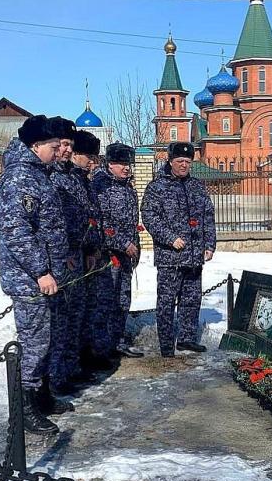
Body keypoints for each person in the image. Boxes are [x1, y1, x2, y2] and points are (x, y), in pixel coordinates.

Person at [0, 115, 69, 434]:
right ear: (35, 146)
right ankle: (24, 409)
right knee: (35, 342)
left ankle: (41, 397)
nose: (58, 152)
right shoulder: (19, 177)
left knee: (47, 339)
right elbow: (16, 230)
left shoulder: (39, 173)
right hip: (29, 279)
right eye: (54, 147)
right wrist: (41, 271)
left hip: (46, 275)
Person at [49, 125, 109, 394]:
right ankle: (57, 378)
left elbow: (88, 218)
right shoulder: (53, 178)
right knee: (63, 323)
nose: (92, 162)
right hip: (64, 260)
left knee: (78, 317)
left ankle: (73, 368)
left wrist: (93, 248)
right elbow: (56, 224)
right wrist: (68, 254)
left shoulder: (78, 179)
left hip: (82, 257)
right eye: (89, 157)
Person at [141, 142, 216, 357]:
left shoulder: (197, 186)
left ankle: (187, 339)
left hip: (194, 256)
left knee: (191, 300)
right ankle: (166, 344)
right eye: (179, 161)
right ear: (170, 161)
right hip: (170, 257)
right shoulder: (157, 187)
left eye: (188, 161)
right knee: (166, 302)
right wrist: (170, 238)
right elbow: (149, 217)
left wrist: (209, 244)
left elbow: (208, 216)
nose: (184, 165)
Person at [92, 142, 144, 358]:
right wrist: (124, 244)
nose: (126, 168)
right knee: (106, 303)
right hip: (108, 256)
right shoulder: (101, 187)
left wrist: (135, 246)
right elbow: (102, 224)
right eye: (121, 163)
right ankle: (102, 350)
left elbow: (131, 222)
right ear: (110, 164)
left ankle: (118, 341)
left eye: (128, 164)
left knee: (123, 300)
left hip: (126, 257)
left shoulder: (127, 187)